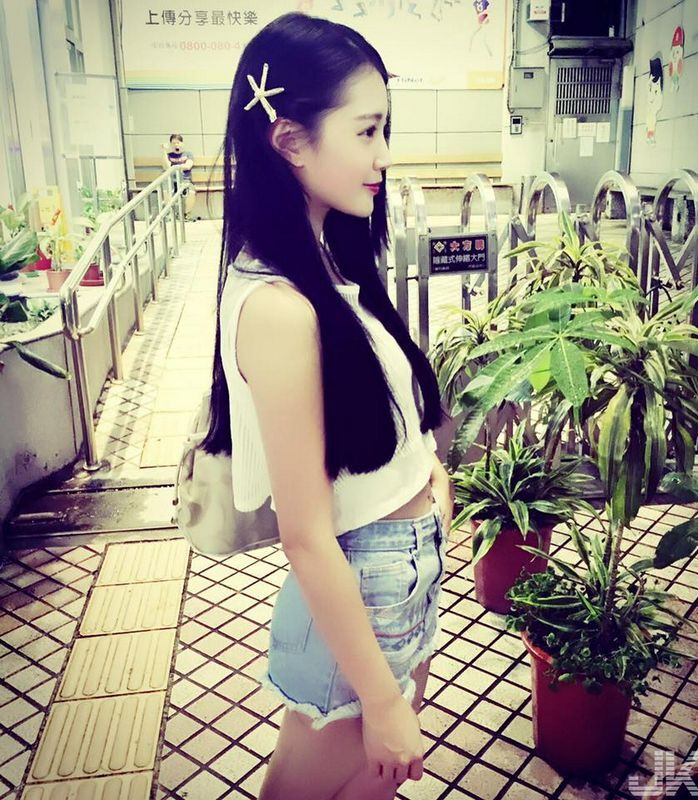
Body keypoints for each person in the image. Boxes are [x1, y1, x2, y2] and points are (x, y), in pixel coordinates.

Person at [201, 13, 455, 800]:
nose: (384, 156)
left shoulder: (333, 262)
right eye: (366, 131)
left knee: (373, 787)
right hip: (356, 585)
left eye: (386, 130)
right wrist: (381, 700)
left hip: (400, 570)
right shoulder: (279, 307)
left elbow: (379, 417)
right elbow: (305, 535)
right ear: (289, 141)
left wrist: (431, 479)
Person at [161, 133, 196, 218]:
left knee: (191, 192)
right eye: (173, 143)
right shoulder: (168, 156)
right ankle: (170, 213)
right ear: (171, 144)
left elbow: (188, 166)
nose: (176, 145)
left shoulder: (188, 154)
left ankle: (187, 214)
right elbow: (167, 167)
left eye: (178, 142)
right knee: (166, 190)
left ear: (182, 143)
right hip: (172, 181)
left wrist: (175, 167)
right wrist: (164, 151)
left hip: (185, 180)